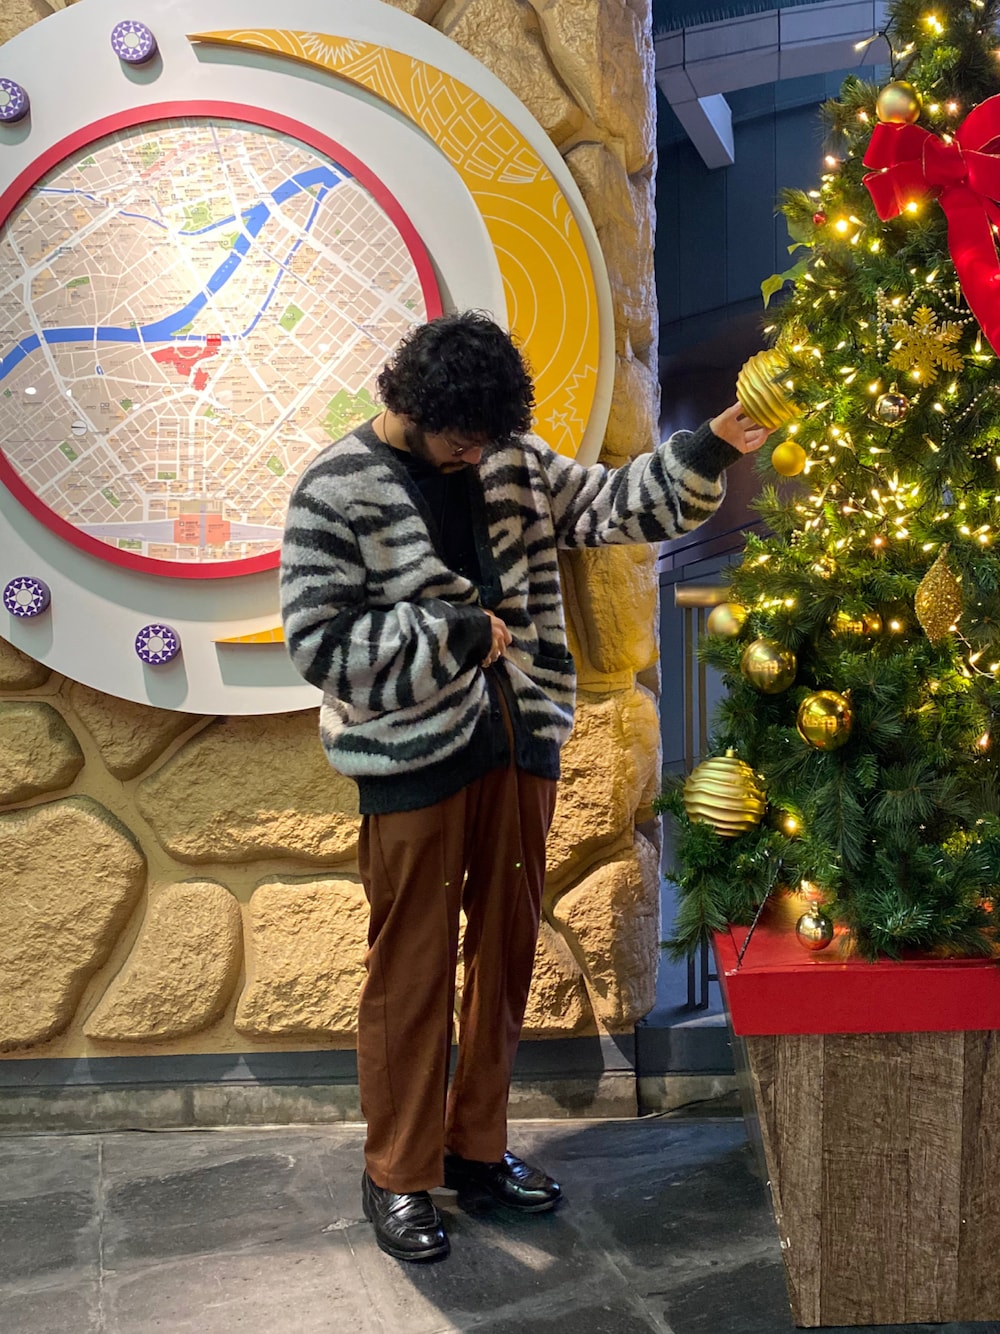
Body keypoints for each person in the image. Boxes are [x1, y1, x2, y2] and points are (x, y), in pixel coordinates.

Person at [280, 311, 770, 1263]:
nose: (476, 456)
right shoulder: (333, 491)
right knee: (411, 968)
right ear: (410, 406)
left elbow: (615, 506)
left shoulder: (511, 457)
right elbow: (322, 646)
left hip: (519, 744)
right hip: (410, 762)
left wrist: (710, 445)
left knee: (505, 957)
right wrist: (454, 636)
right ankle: (397, 1171)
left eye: (487, 438)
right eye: (461, 440)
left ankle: (476, 1151)